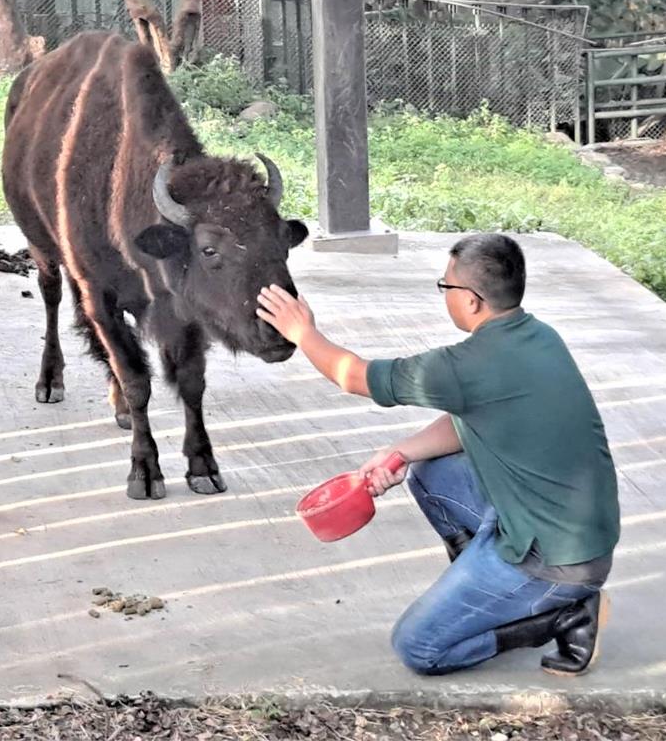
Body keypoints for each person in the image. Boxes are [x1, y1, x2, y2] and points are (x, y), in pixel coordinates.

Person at [257, 233, 620, 676]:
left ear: (471, 301)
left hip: (555, 561)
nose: (443, 294)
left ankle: (563, 616)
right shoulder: (539, 337)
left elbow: (355, 377)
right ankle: (484, 585)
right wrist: (400, 451)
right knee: (431, 473)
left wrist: (303, 332)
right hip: (566, 529)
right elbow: (474, 416)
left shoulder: (467, 365)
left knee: (419, 646)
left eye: (445, 286)